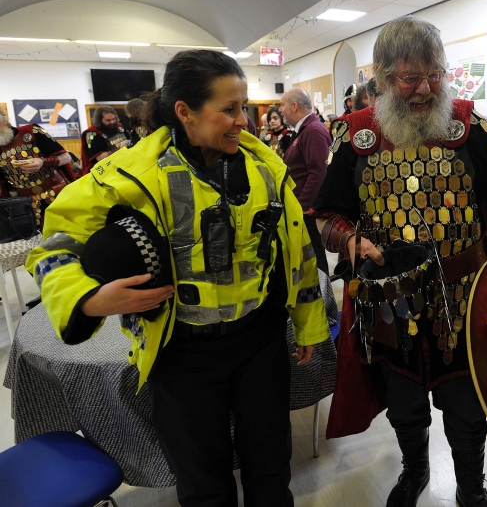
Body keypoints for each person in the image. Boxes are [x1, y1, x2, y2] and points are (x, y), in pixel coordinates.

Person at [26, 49, 328, 507]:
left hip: (261, 343)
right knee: (202, 483)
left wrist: (308, 324)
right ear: (185, 111)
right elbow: (54, 241)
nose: (243, 121)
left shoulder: (267, 166)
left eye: (244, 107)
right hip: (180, 353)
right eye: (229, 109)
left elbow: (297, 249)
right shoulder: (129, 173)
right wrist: (86, 299)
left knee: (270, 468)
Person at [311, 15, 487, 507]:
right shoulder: (354, 136)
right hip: (391, 303)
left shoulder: (469, 128)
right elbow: (327, 216)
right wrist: (352, 241)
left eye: (435, 75)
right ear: (383, 78)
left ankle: (471, 488)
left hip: (467, 299)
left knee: (467, 407)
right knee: (404, 405)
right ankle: (415, 471)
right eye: (410, 78)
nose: (425, 89)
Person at [280, 88, 332, 274]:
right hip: (303, 209)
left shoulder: (312, 131)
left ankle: (322, 292)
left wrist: (302, 207)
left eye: (282, 105)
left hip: (307, 211)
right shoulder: (305, 130)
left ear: (294, 106)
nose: (280, 110)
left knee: (315, 259)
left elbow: (318, 173)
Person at [0, 107, 75, 229]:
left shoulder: (32, 132)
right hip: (27, 205)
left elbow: (66, 157)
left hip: (58, 194)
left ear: (4, 121)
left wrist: (42, 162)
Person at [80, 105, 129, 175]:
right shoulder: (92, 134)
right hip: (103, 171)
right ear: (99, 120)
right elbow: (99, 158)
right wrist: (119, 149)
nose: (112, 122)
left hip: (123, 165)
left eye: (114, 119)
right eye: (108, 120)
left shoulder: (118, 127)